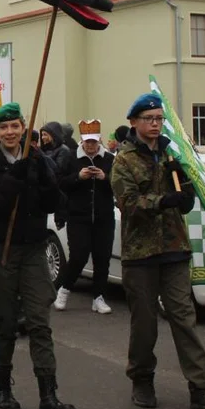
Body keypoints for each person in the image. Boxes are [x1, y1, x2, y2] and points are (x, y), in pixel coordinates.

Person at [111, 92, 205, 409]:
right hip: (141, 254)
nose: (156, 124)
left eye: (160, 119)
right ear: (134, 123)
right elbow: (129, 204)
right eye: (149, 119)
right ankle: (142, 377)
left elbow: (185, 196)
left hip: (175, 249)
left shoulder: (172, 156)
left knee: (184, 320)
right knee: (144, 324)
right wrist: (162, 201)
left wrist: (186, 190)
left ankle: (201, 387)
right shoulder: (124, 160)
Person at [0, 102, 78, 409]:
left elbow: (53, 202)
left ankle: (49, 397)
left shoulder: (38, 160)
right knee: (5, 322)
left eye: (15, 126)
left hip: (33, 249)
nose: (10, 132)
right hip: (0, 251)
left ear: (23, 128)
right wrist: (12, 182)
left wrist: (44, 177)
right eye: (3, 127)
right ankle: (2, 389)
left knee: (38, 322)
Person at [55, 119, 115, 315]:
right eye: (88, 142)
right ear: (82, 141)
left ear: (99, 141)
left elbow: (119, 184)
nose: (91, 146)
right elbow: (61, 183)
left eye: (94, 142)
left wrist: (104, 178)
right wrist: (77, 177)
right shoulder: (72, 158)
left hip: (104, 216)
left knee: (102, 257)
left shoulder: (109, 159)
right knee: (79, 255)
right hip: (78, 216)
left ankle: (98, 296)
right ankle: (64, 288)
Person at [40, 122, 76, 230]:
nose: (43, 138)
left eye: (45, 134)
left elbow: (58, 170)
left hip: (60, 196)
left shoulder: (63, 150)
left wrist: (41, 158)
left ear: (53, 134)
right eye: (42, 135)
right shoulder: (45, 150)